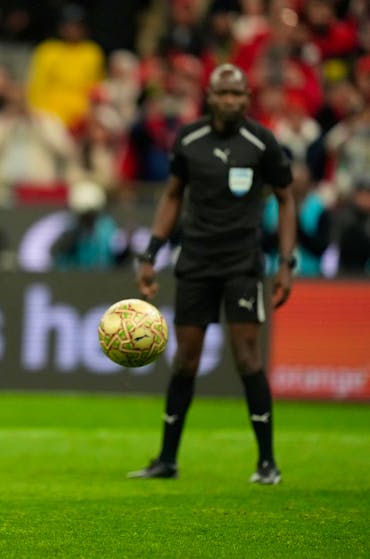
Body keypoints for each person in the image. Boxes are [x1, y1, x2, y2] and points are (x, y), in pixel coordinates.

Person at [128, 64, 295, 485]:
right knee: (185, 359)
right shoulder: (189, 139)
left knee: (246, 357)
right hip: (197, 262)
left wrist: (287, 264)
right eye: (224, 94)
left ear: (246, 98)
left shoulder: (261, 141)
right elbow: (171, 196)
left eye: (239, 95)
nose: (231, 101)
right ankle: (166, 459)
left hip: (242, 263)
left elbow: (286, 200)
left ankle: (267, 462)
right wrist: (151, 253)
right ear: (210, 95)